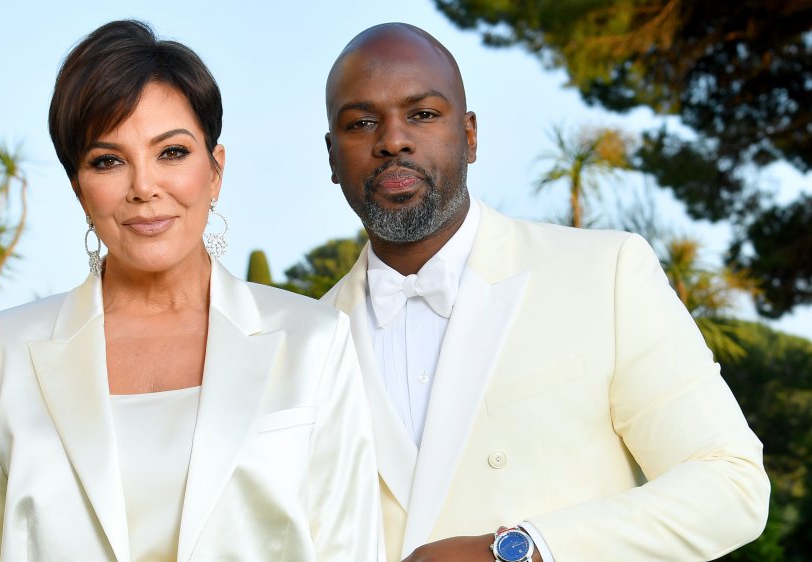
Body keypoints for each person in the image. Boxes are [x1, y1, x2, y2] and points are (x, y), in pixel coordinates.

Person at [0, 20, 379, 562]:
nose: (144, 187)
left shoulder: (314, 341)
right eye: (108, 161)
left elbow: (350, 547)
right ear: (79, 190)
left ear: (215, 171)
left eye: (172, 153)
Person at [321, 22, 770, 562]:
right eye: (361, 122)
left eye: (422, 113)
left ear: (469, 136)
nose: (392, 139)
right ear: (331, 156)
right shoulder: (300, 341)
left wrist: (523, 551)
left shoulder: (603, 273)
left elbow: (732, 483)